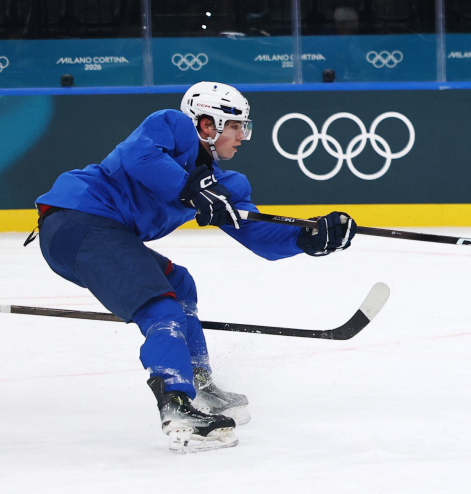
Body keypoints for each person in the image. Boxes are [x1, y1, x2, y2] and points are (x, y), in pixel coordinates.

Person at [32, 82, 357, 453]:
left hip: (95, 234)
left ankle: (199, 384)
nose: (242, 136)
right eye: (235, 126)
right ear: (207, 124)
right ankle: (177, 405)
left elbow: (255, 232)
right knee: (161, 306)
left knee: (179, 284)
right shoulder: (171, 126)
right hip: (78, 220)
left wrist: (309, 237)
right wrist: (192, 188)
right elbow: (140, 156)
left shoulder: (222, 184)